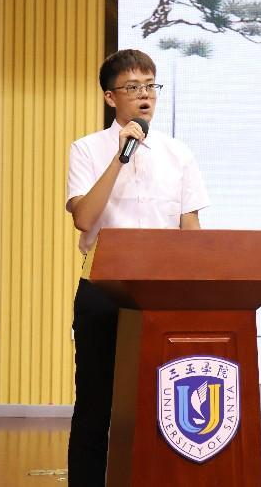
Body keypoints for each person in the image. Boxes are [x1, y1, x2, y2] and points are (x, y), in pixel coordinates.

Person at [65, 49, 210, 485]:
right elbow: (84, 218)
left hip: (163, 293)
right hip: (103, 289)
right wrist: (121, 156)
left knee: (162, 402)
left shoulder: (178, 154)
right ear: (111, 97)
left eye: (150, 85)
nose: (145, 95)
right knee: (95, 403)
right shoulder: (87, 149)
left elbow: (190, 229)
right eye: (133, 87)